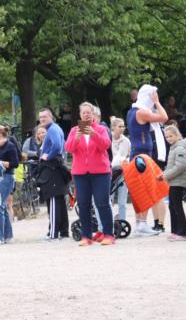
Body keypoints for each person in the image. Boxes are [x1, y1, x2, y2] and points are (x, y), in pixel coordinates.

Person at [64, 102, 115, 246]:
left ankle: (108, 234)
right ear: (80, 115)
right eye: (83, 113)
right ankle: (86, 236)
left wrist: (94, 134)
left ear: (93, 115)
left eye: (89, 112)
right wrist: (76, 138)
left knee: (102, 203)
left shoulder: (101, 129)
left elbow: (106, 145)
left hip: (101, 172)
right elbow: (69, 148)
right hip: (80, 173)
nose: (86, 115)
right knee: (83, 204)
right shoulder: (74, 130)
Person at [127, 84, 168, 236]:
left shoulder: (132, 111)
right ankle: (142, 223)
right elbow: (164, 117)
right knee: (144, 189)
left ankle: (140, 223)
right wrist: (157, 103)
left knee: (139, 190)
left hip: (138, 152)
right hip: (142, 153)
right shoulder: (142, 112)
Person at [38, 108, 68, 240]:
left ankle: (53, 233)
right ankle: (63, 231)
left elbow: (57, 146)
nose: (42, 119)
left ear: (50, 116)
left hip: (52, 167)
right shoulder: (55, 128)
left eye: (44, 116)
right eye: (40, 117)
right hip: (56, 167)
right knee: (59, 200)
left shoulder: (52, 129)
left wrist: (47, 156)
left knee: (53, 198)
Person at [161, 124, 186, 241]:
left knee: (177, 206)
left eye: (171, 136)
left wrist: (165, 175)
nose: (169, 139)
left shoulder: (179, 148)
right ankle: (175, 231)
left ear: (177, 135)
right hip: (173, 181)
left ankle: (183, 232)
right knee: (172, 206)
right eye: (167, 137)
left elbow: (180, 166)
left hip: (179, 182)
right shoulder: (173, 148)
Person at [0, 125, 19, 244]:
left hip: (6, 177)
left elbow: (15, 163)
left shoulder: (10, 146)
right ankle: (7, 235)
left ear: (0, 134)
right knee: (2, 205)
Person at [109, 117, 131, 222]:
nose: (122, 128)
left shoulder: (126, 141)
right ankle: (110, 220)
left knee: (122, 201)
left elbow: (127, 155)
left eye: (123, 126)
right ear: (113, 127)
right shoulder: (108, 139)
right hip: (110, 172)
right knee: (109, 199)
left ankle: (122, 222)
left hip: (122, 172)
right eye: (119, 126)